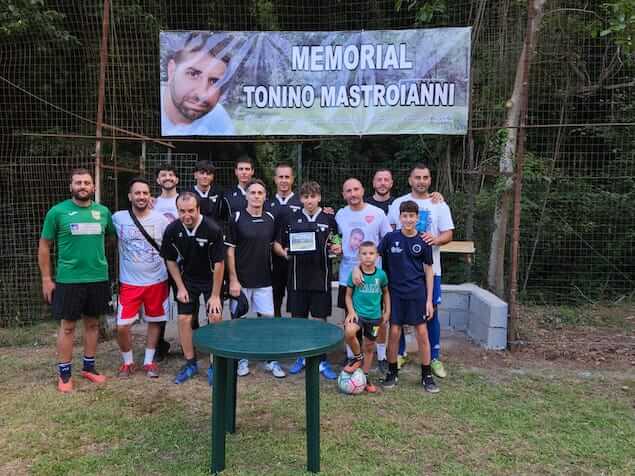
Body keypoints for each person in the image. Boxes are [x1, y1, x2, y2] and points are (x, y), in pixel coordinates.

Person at [38, 168, 115, 393]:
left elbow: (111, 237)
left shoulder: (103, 212)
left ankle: (89, 368)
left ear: (93, 187)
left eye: (87, 182)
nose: (83, 186)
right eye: (78, 182)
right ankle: (64, 374)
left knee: (92, 324)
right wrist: (46, 278)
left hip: (98, 278)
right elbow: (44, 246)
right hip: (69, 280)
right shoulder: (57, 212)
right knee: (68, 326)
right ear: (71, 186)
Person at [387, 163, 454, 379]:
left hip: (429, 270)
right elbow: (388, 231)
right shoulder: (398, 203)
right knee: (398, 317)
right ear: (410, 179)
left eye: (425, 177)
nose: (421, 181)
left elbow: (448, 234)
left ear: (430, 180)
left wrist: (436, 239)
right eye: (417, 177)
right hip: (401, 272)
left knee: (430, 312)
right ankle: (401, 353)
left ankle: (434, 357)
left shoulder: (439, 204)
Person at [273, 181, 338, 380]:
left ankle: (321, 359)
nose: (309, 201)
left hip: (321, 278)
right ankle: (301, 356)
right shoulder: (291, 218)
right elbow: (278, 244)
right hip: (297, 280)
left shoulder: (329, 219)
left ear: (319, 197)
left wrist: (337, 248)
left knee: (320, 321)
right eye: (306, 197)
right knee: (299, 321)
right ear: (301, 199)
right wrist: (284, 253)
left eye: (313, 196)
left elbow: (336, 241)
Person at [160, 192, 225, 384]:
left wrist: (215, 296)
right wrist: (180, 287)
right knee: (183, 318)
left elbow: (220, 263)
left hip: (211, 278)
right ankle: (190, 363)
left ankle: (215, 365)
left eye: (191, 211)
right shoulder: (172, 229)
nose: (186, 215)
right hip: (188, 279)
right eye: (182, 211)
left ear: (198, 209)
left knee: (215, 315)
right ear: (177, 210)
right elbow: (170, 260)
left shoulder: (212, 229)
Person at [226, 179, 285, 378]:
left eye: (260, 192)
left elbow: (275, 245)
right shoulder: (236, 218)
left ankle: (270, 359)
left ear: (265, 196)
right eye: (253, 192)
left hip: (264, 280)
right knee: (239, 321)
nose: (256, 196)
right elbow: (230, 251)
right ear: (246, 195)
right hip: (241, 282)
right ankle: (240, 360)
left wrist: (288, 254)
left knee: (267, 321)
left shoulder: (270, 218)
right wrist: (233, 279)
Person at [112, 178, 170, 379]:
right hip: (130, 283)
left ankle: (148, 361)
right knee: (122, 325)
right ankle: (128, 363)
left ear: (150, 196)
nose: (141, 197)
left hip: (157, 280)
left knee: (154, 321)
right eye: (137, 193)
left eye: (145, 193)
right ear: (130, 196)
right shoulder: (118, 218)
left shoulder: (161, 220)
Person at [379, 200, 439, 393]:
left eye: (411, 216)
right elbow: (373, 258)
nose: (408, 219)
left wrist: (429, 300)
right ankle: (391, 372)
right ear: (400, 217)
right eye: (404, 216)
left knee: (422, 333)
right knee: (394, 333)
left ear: (417, 218)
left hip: (417, 294)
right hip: (395, 294)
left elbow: (429, 271)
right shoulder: (390, 238)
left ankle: (426, 375)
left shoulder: (423, 241)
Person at [335, 178, 392, 362]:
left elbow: (388, 240)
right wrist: (335, 249)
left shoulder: (377, 213)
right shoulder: (340, 215)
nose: (353, 193)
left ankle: (382, 357)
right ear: (343, 195)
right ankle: (353, 357)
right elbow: (337, 241)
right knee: (350, 317)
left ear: (363, 190)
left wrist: (366, 265)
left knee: (380, 320)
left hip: (372, 277)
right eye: (348, 190)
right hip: (346, 275)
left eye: (356, 189)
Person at [161, 32, 235, 135]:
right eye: (193, 74)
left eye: (214, 81)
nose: (202, 95)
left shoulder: (219, 118)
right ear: (171, 71)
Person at [343, 241, 390, 393]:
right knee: (349, 332)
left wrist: (387, 311)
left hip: (375, 317)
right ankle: (357, 357)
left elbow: (386, 293)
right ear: (359, 256)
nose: (368, 257)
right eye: (364, 253)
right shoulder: (355, 274)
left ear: (376, 256)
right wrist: (351, 311)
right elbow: (348, 296)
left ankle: (365, 376)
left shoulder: (381, 275)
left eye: (371, 253)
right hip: (359, 315)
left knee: (369, 347)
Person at [268, 163, 302, 317]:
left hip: (296, 258)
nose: (284, 180)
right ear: (275, 179)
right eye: (280, 177)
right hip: (272, 259)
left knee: (296, 297)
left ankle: (295, 330)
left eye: (287, 177)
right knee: (275, 296)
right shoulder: (266, 203)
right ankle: (276, 327)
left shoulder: (301, 203)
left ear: (292, 179)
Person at [153, 163, 180, 361]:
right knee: (159, 305)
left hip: (181, 262)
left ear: (177, 179)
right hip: (158, 262)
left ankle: (192, 343)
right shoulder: (152, 203)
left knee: (187, 303)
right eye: (164, 175)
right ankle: (159, 345)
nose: (168, 177)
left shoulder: (185, 201)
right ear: (158, 180)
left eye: (171, 174)